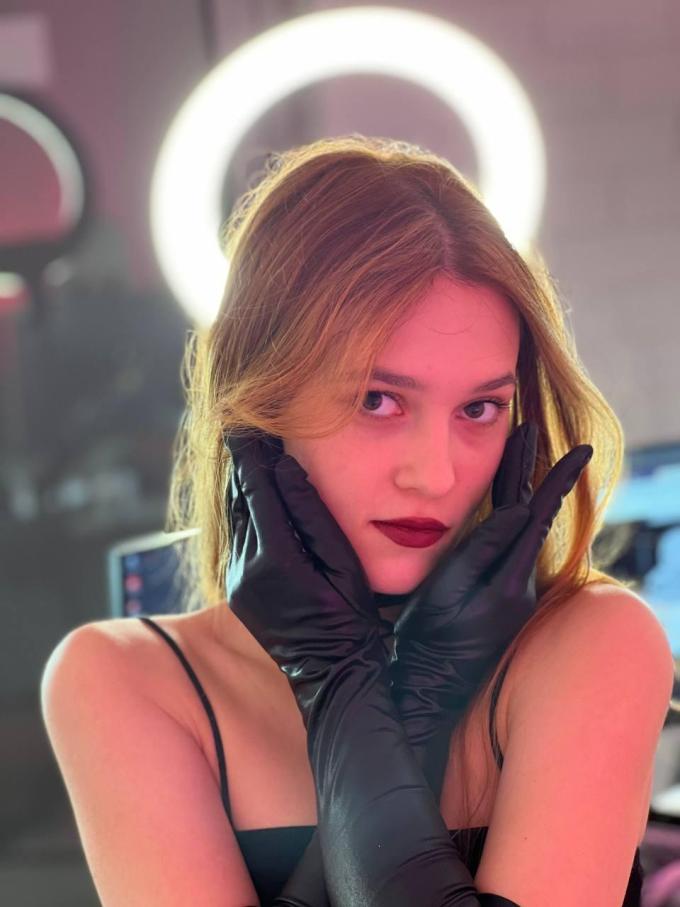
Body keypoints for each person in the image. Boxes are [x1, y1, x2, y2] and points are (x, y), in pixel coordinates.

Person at [40, 135, 675, 906]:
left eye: (480, 408)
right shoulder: (126, 680)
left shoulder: (594, 642)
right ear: (259, 408)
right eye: (379, 400)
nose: (435, 473)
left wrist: (347, 686)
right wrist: (376, 691)